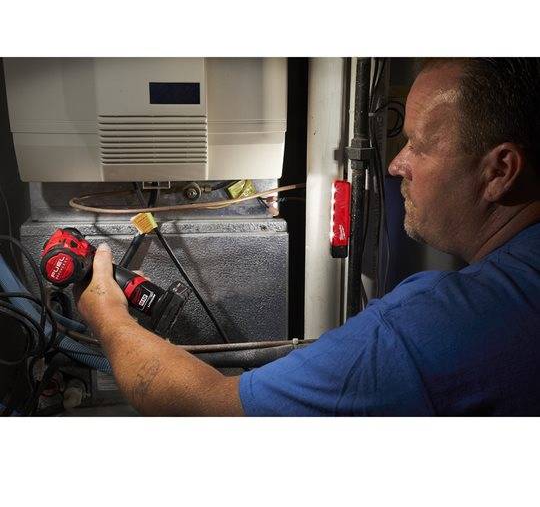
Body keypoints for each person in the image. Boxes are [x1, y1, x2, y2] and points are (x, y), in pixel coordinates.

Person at [76, 58, 540, 416]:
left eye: (418, 145)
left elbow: (208, 409)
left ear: (500, 171)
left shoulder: (432, 330)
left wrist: (108, 316)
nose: (396, 165)